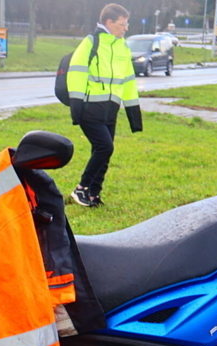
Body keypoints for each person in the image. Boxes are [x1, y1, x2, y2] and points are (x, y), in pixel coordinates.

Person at [66, 3, 142, 208]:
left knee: (104, 150)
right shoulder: (91, 42)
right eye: (122, 24)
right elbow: (77, 73)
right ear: (109, 22)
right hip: (90, 108)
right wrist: (76, 106)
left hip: (111, 110)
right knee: (104, 147)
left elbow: (128, 81)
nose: (125, 28)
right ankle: (81, 188)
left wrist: (134, 114)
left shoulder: (122, 47)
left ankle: (93, 194)